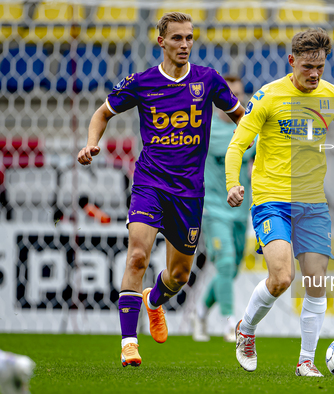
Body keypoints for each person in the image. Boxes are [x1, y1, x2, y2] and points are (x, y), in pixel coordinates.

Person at [77, 12, 244, 367]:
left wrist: (252, 147)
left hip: (189, 193)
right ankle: (128, 343)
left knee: (180, 275)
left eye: (189, 38)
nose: (184, 45)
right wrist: (91, 144)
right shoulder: (142, 82)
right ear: (161, 42)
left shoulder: (208, 80)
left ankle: (154, 301)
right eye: (177, 38)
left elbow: (243, 117)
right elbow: (102, 113)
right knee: (137, 256)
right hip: (150, 182)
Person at [225, 28, 334, 376]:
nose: (314, 73)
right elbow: (236, 145)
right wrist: (233, 183)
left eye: (320, 65)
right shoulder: (269, 97)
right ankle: (246, 329)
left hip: (313, 203)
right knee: (282, 278)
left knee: (316, 280)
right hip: (272, 199)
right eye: (307, 66)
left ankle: (306, 361)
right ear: (292, 61)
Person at [193, 75, 255, 343]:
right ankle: (231, 324)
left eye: (238, 94)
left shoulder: (248, 129)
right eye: (228, 94)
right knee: (226, 262)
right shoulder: (205, 131)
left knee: (231, 269)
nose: (233, 100)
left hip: (242, 211)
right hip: (214, 209)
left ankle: (200, 312)